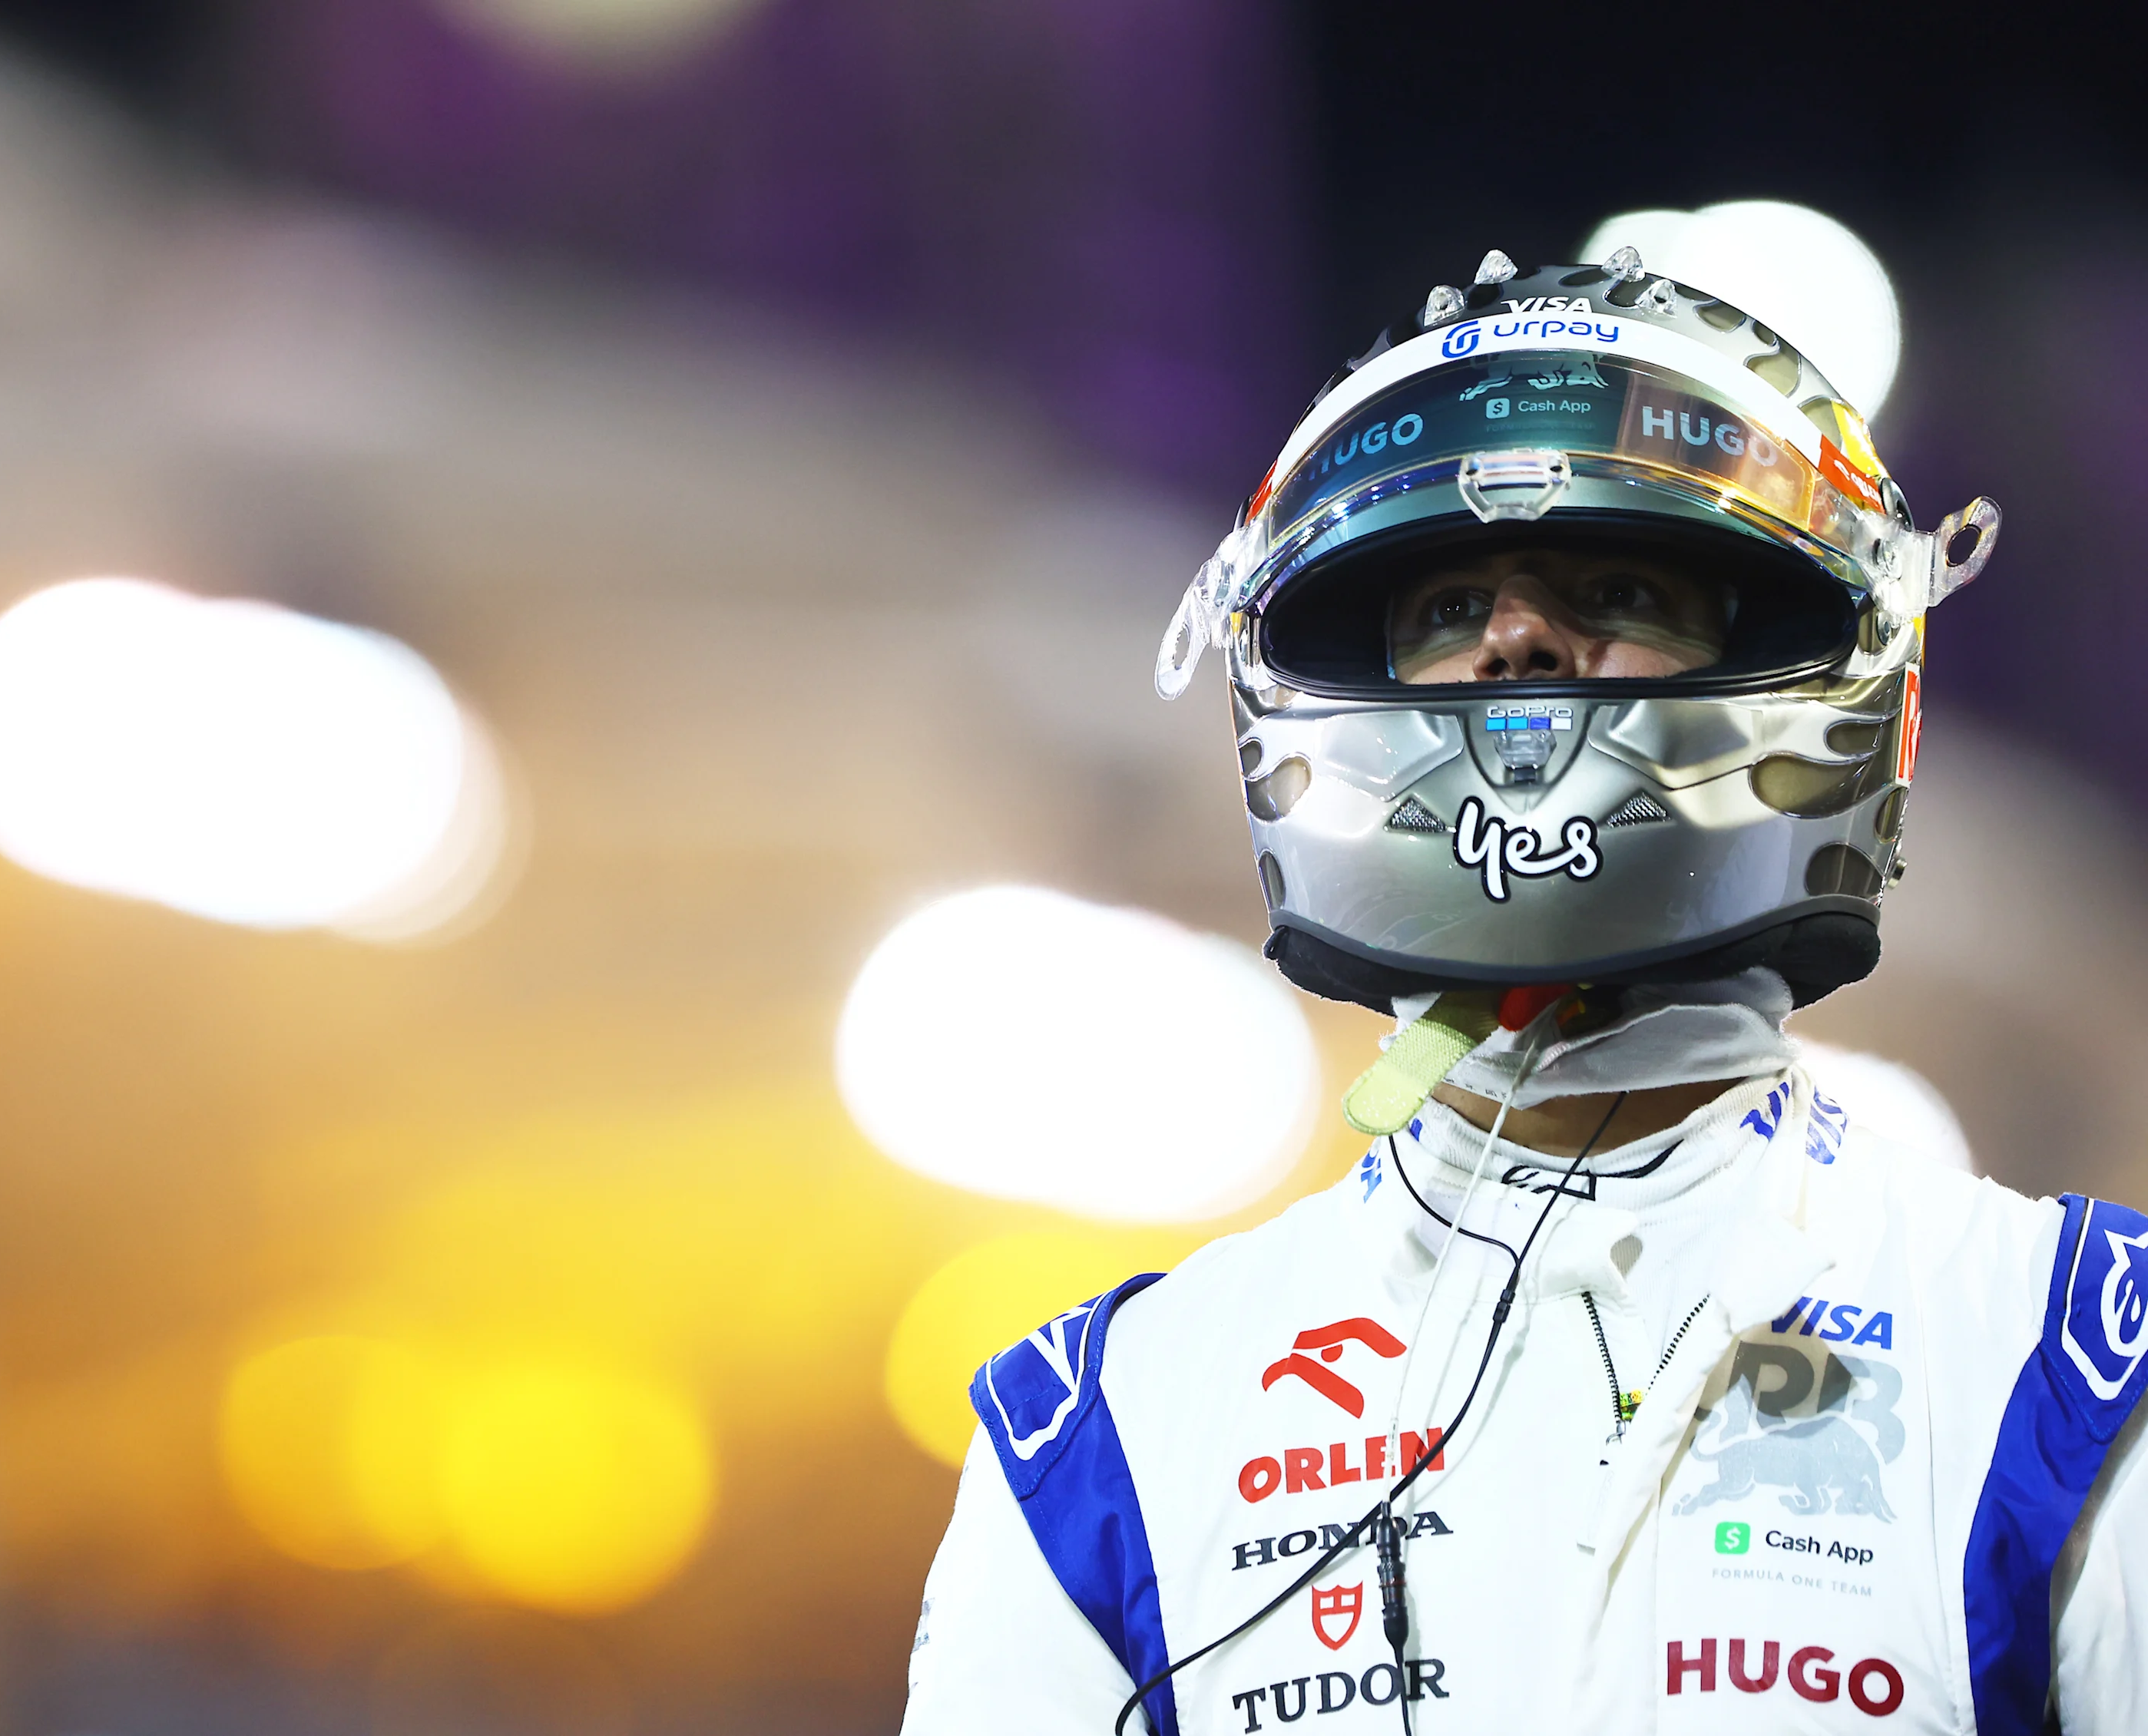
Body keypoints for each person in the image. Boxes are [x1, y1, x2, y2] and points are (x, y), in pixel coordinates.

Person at [898, 250, 2144, 1736]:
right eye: (1445, 605)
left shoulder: (2068, 1360)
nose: (1515, 642)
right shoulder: (1103, 1436)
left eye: (1617, 586)